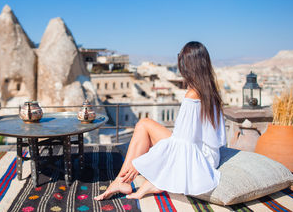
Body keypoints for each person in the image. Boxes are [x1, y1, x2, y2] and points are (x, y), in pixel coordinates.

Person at [95, 41, 227, 200]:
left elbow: (182, 143)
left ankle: (122, 180)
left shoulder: (192, 95)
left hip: (199, 158)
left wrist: (143, 165)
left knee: (143, 126)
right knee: (144, 124)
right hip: (209, 154)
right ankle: (122, 181)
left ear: (187, 65)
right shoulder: (210, 90)